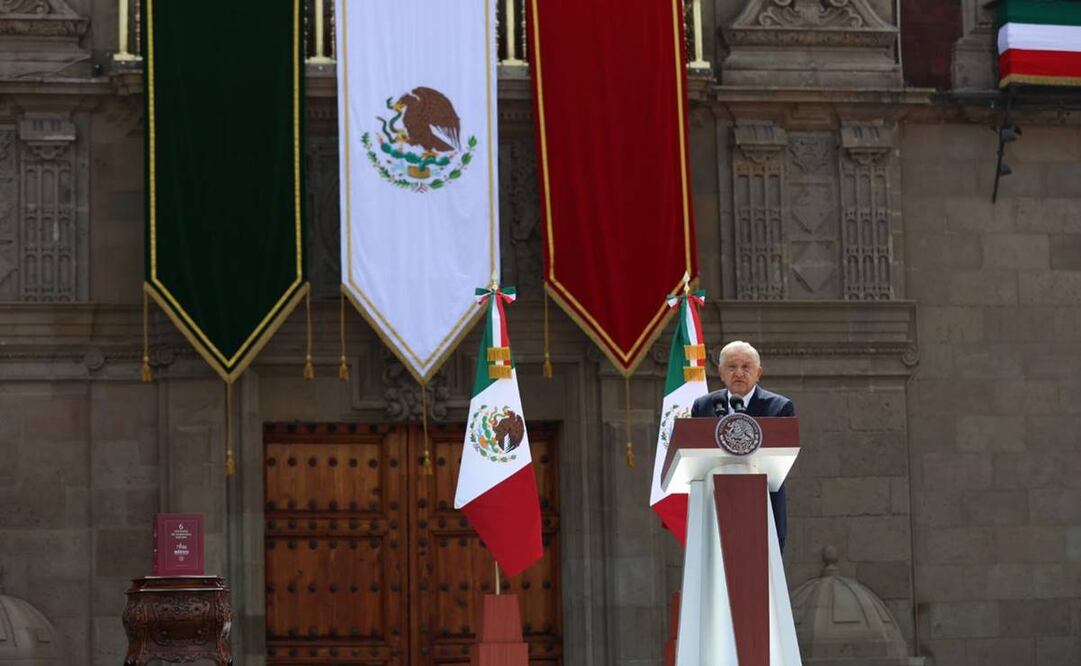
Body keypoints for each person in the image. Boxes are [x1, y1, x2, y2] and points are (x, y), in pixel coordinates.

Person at [691, 340, 794, 552]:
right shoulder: (703, 406)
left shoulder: (779, 407)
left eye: (746, 367)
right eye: (732, 366)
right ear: (720, 372)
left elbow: (784, 454)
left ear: (759, 373)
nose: (739, 372)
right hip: (715, 502)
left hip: (763, 502)